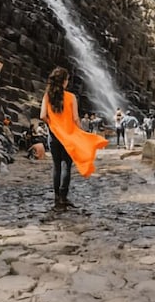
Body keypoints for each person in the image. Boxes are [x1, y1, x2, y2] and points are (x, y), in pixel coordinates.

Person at [40, 66, 108, 210]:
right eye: (67, 80)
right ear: (64, 81)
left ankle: (57, 198)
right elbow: (76, 119)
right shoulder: (71, 97)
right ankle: (64, 197)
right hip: (69, 136)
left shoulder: (47, 96)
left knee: (56, 166)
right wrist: (82, 133)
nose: (67, 82)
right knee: (66, 165)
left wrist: (53, 125)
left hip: (53, 135)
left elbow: (42, 116)